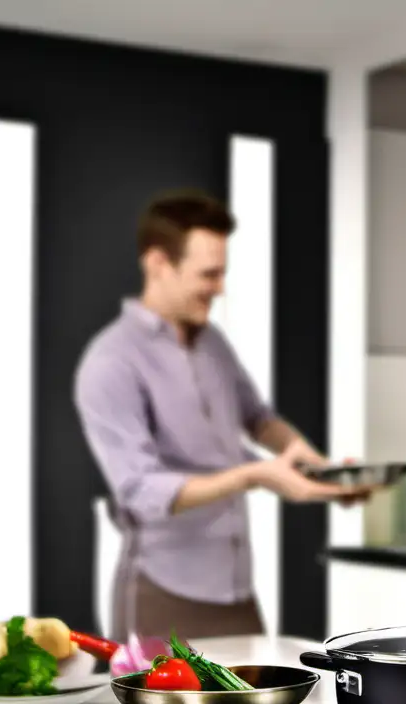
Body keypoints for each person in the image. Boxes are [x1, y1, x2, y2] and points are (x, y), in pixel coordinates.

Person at [74, 190, 367, 642]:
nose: (219, 287)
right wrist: (254, 476)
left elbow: (258, 418)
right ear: (158, 264)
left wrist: (315, 468)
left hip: (237, 593)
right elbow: (140, 489)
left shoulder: (211, 343)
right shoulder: (111, 360)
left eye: (222, 272)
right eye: (208, 274)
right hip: (162, 595)